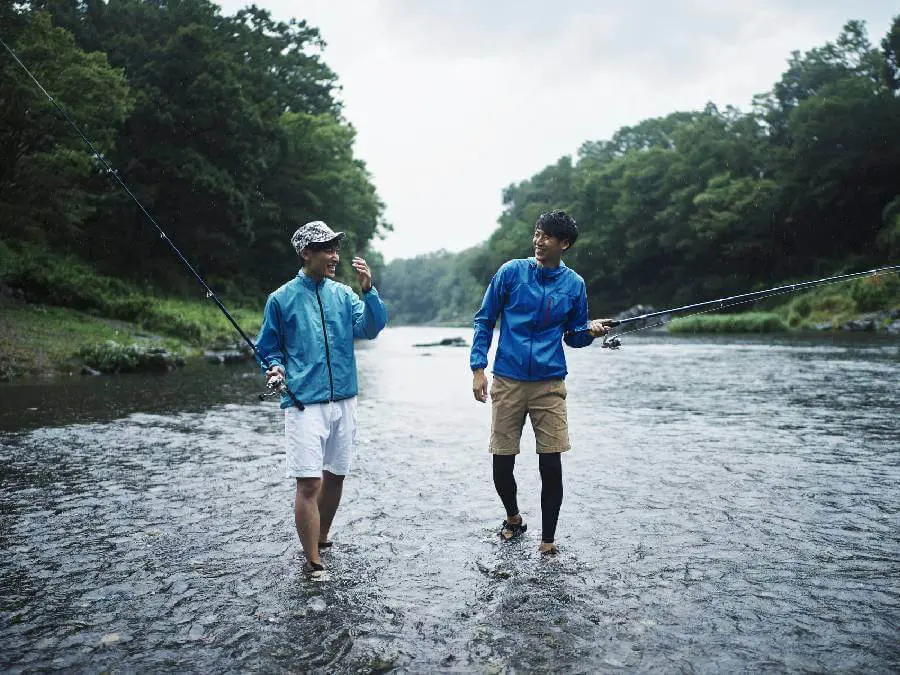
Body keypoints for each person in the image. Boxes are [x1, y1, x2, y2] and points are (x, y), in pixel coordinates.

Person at [470, 210, 611, 555]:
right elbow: (485, 319)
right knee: (502, 460)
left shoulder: (574, 285)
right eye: (536, 233)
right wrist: (478, 368)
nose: (538, 241)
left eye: (547, 236)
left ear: (564, 244)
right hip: (508, 379)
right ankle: (513, 518)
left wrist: (590, 332)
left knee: (551, 461)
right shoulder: (511, 272)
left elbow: (573, 337)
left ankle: (548, 541)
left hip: (550, 384)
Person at [256, 220, 388, 580]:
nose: (334, 255)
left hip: (345, 399)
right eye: (327, 249)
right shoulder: (281, 299)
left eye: (335, 248)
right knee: (309, 483)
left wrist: (369, 291)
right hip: (303, 402)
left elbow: (371, 328)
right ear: (306, 253)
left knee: (336, 475)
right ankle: (313, 560)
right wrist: (275, 369)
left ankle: (323, 536)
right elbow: (268, 348)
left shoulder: (345, 295)